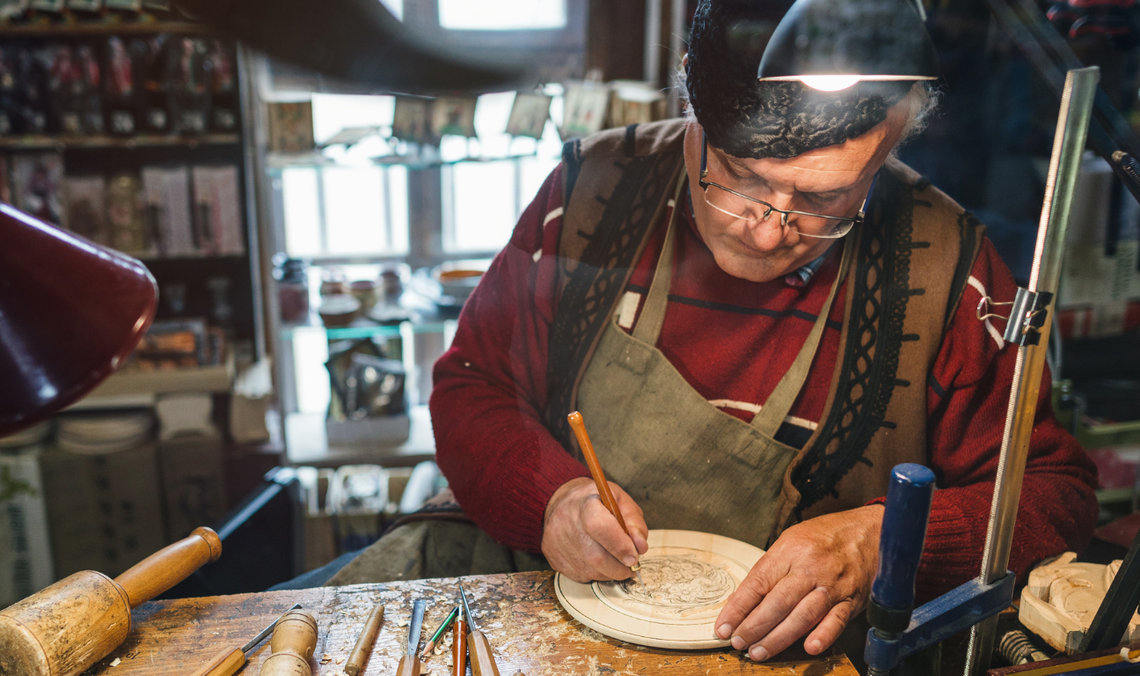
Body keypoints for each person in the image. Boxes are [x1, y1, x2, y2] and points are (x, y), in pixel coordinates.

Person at [326, 0, 1099, 663]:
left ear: (894, 137)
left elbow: (1056, 495)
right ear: (692, 107)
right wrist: (552, 499)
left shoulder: (948, 272)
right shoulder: (589, 197)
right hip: (541, 621)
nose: (768, 231)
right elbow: (474, 387)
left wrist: (880, 542)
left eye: (824, 201)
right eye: (743, 180)